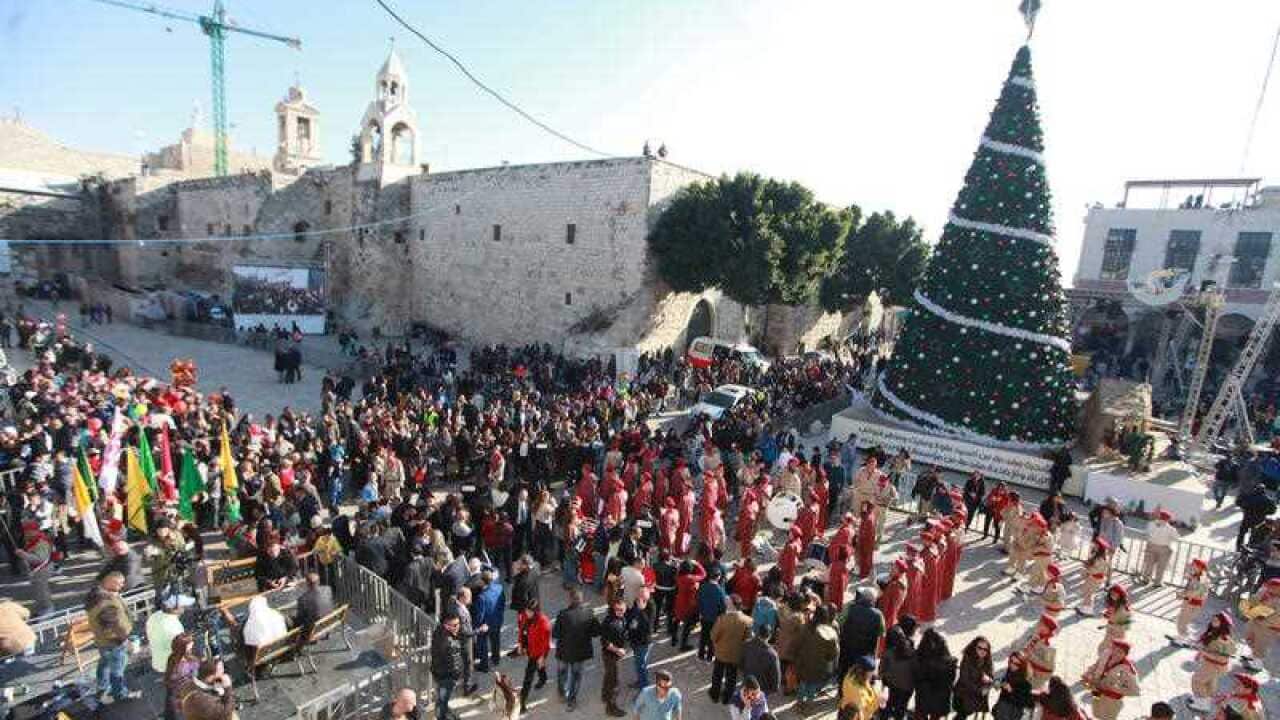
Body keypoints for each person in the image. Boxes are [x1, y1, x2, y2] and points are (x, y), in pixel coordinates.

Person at [86, 571, 141, 704]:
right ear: (110, 582)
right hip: (114, 642)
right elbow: (117, 626)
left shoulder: (96, 595)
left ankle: (102, 687)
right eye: (120, 583)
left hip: (102, 640)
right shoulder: (107, 603)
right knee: (117, 670)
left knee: (104, 664)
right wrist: (126, 641)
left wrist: (114, 596)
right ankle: (120, 694)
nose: (122, 586)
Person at [553, 588, 598, 712]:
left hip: (563, 652)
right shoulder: (589, 613)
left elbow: (555, 634)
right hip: (580, 653)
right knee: (576, 676)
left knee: (562, 673)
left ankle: (562, 694)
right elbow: (596, 632)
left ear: (570, 599)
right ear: (582, 600)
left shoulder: (562, 614)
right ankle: (571, 701)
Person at [792, 603, 839, 714]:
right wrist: (827, 659)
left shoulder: (805, 627)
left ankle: (799, 704)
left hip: (803, 663)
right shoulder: (829, 632)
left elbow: (796, 644)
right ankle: (808, 706)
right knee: (812, 687)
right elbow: (834, 653)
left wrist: (796, 657)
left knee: (802, 684)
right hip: (819, 665)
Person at [837, 587, 884, 694]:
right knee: (860, 676)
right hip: (865, 651)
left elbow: (840, 622)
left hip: (847, 647)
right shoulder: (878, 615)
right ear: (873, 600)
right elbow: (881, 634)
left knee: (844, 671)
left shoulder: (850, 608)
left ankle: (842, 692)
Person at [710, 594, 753, 704]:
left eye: (728, 602)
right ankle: (727, 698)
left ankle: (715, 695)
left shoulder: (722, 619)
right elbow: (748, 639)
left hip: (721, 653)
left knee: (717, 675)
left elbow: (713, 636)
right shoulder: (748, 620)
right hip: (735, 655)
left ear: (732, 605)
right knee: (731, 677)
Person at [1189, 612, 1236, 712]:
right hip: (1211, 664)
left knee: (1197, 681)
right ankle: (1203, 700)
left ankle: (1204, 702)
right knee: (1209, 683)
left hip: (1214, 666)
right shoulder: (1215, 632)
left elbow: (1222, 657)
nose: (1213, 622)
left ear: (1222, 623)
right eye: (1213, 619)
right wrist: (1201, 653)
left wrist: (1204, 652)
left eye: (1216, 620)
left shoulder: (1223, 638)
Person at [1082, 640, 1140, 720]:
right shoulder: (1106, 653)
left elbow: (1136, 691)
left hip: (1111, 699)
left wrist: (1112, 688)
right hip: (1096, 690)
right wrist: (1088, 673)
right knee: (1096, 711)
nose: (1115, 653)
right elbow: (1097, 664)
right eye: (1114, 649)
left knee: (1108, 716)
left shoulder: (1127, 669)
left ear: (1125, 655)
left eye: (1120, 652)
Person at [912, 627, 957, 720]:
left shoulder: (919, 657)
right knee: (935, 716)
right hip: (940, 698)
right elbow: (951, 678)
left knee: (921, 715)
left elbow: (915, 675)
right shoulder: (947, 661)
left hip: (923, 695)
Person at [515, 598, 551, 714]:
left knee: (528, 678)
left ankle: (522, 703)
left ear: (535, 611)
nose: (527, 613)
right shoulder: (525, 616)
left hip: (537, 653)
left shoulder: (544, 622)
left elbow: (546, 643)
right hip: (529, 649)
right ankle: (543, 678)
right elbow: (521, 630)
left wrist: (542, 657)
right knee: (539, 667)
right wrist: (520, 644)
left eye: (529, 611)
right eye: (526, 610)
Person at [170, 658, 236, 720]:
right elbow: (225, 712)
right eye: (220, 673)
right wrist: (228, 687)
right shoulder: (198, 699)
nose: (223, 675)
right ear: (210, 677)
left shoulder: (194, 684)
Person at [880, 616, 917, 720]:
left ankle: (885, 715)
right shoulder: (914, 656)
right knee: (901, 707)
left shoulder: (891, 651)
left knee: (891, 701)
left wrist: (883, 675)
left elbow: (884, 661)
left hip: (893, 681)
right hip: (906, 687)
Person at [431, 613, 466, 720]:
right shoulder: (449, 642)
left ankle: (442, 711)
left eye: (458, 623)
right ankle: (441, 716)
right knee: (443, 699)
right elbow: (454, 661)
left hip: (439, 673)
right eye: (455, 625)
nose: (458, 627)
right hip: (446, 676)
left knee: (441, 697)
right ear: (446, 626)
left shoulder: (439, 631)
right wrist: (457, 675)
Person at [147, 592, 191, 674]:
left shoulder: (154, 616)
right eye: (183, 605)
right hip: (171, 669)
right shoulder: (175, 628)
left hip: (157, 663)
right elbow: (182, 651)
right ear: (176, 608)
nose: (185, 607)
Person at [599, 599, 629, 717]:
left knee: (608, 676)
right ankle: (611, 708)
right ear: (613, 609)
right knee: (614, 682)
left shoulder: (622, 618)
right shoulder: (609, 622)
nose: (619, 612)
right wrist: (618, 650)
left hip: (616, 655)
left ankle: (605, 696)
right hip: (610, 656)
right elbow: (605, 642)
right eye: (617, 609)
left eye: (621, 610)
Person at [954, 636, 995, 720]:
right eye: (980, 648)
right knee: (963, 712)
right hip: (963, 693)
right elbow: (965, 680)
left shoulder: (988, 661)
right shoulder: (967, 659)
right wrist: (980, 689)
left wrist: (989, 679)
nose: (982, 651)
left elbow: (991, 677)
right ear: (975, 647)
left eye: (985, 649)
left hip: (977, 696)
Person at [163, 634, 201, 720]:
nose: (193, 643)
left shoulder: (172, 658)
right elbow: (194, 679)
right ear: (184, 648)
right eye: (190, 643)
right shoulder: (188, 663)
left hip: (173, 695)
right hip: (184, 694)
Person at [1139, 510, 1178, 586]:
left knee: (1149, 564)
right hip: (1164, 548)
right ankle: (1157, 582)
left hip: (1151, 545)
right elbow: (1176, 537)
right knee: (1161, 566)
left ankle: (1146, 579)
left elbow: (1146, 533)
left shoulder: (1151, 524)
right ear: (1168, 519)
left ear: (1159, 516)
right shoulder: (1171, 529)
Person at [739, 624, 780, 696]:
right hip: (763, 689)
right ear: (769, 636)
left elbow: (741, 663)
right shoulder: (772, 654)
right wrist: (775, 688)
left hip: (748, 683)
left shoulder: (747, 645)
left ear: (758, 633)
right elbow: (775, 674)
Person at [992, 651, 1034, 720]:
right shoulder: (1008, 673)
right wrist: (998, 683)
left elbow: (1028, 702)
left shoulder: (1025, 681)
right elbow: (1003, 694)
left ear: (1021, 665)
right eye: (1011, 661)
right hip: (1001, 712)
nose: (1012, 665)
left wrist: (1012, 691)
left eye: (1016, 664)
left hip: (1011, 715)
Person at [837, 655, 879, 720]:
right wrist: (878, 697)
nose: (872, 674)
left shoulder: (851, 675)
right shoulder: (858, 692)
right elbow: (861, 711)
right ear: (864, 672)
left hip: (845, 709)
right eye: (871, 672)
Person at [1177, 558, 1210, 639]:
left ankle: (1184, 636)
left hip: (1193, 602)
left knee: (1184, 620)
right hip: (1189, 600)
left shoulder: (1202, 578)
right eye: (1192, 565)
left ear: (1200, 568)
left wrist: (1184, 594)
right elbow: (1189, 585)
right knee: (1182, 619)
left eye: (1195, 566)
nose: (1192, 567)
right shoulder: (1195, 575)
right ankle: (1182, 635)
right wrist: (1183, 594)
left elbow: (1198, 591)